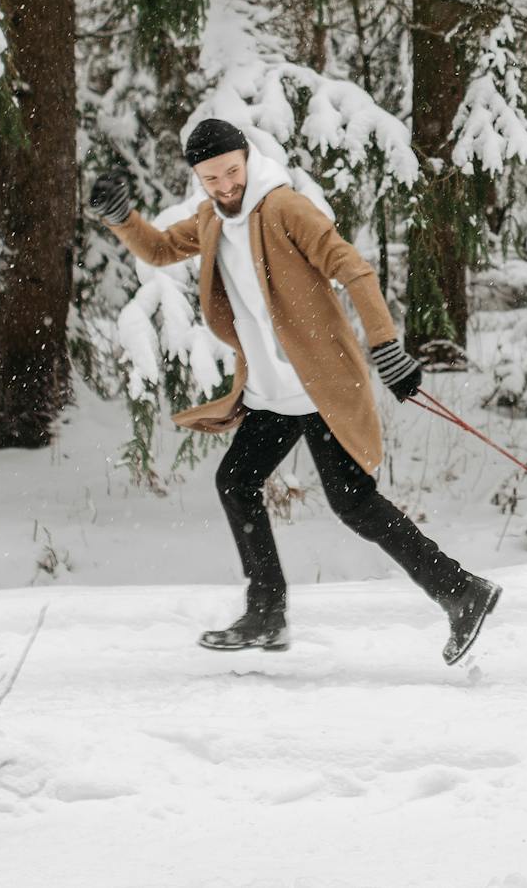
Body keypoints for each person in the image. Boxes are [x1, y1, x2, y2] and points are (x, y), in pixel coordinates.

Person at [88, 119, 502, 665]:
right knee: (236, 482)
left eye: (232, 172)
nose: (225, 186)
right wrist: (124, 219)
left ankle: (461, 592)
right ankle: (267, 611)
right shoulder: (212, 219)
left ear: (248, 159)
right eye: (211, 178)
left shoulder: (284, 208)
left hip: (321, 388)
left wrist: (384, 345)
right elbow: (164, 249)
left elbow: (353, 268)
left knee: (353, 504)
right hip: (272, 393)